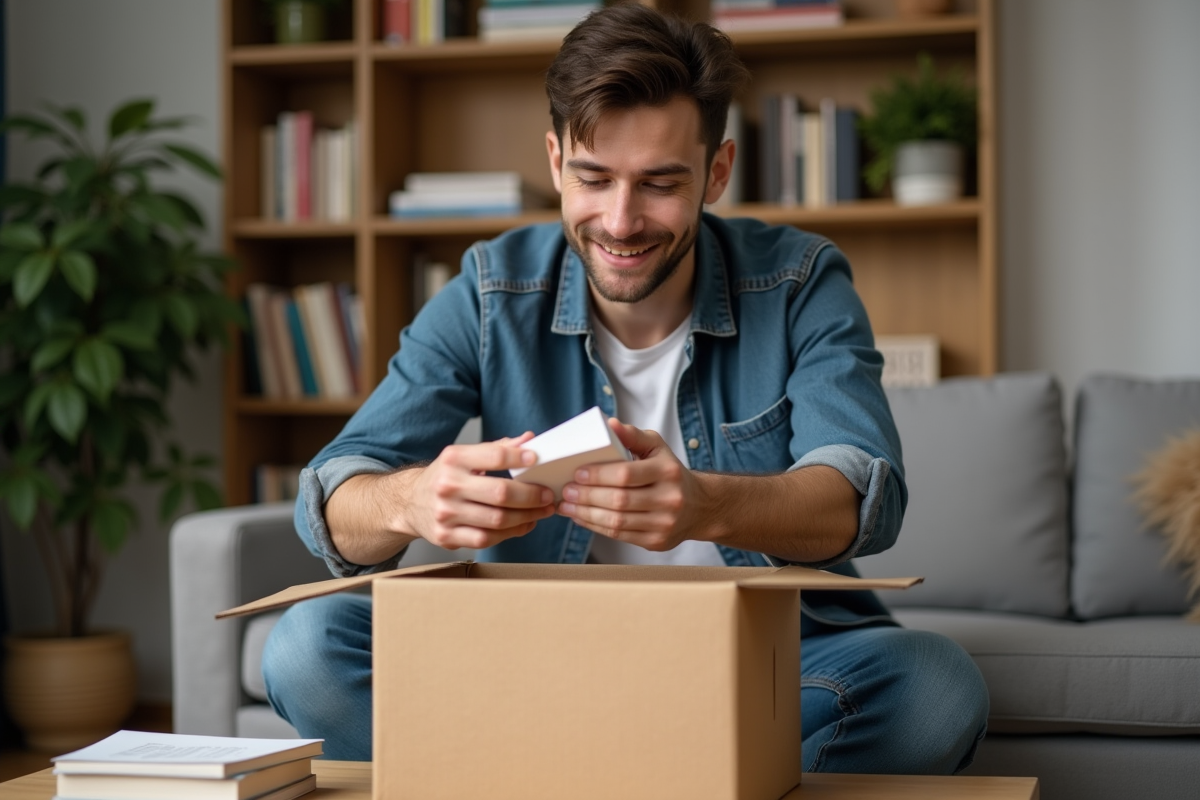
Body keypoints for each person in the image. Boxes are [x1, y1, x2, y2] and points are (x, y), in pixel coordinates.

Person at [262, 2, 988, 772]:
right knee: (307, 646)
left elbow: (861, 497)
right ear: (554, 162)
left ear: (717, 170)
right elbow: (334, 500)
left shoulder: (800, 280)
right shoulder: (487, 290)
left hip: (763, 664)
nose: (621, 220)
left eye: (660, 183)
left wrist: (704, 506)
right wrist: (411, 500)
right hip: (528, 663)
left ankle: (552, 773)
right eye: (594, 178)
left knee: (935, 686)